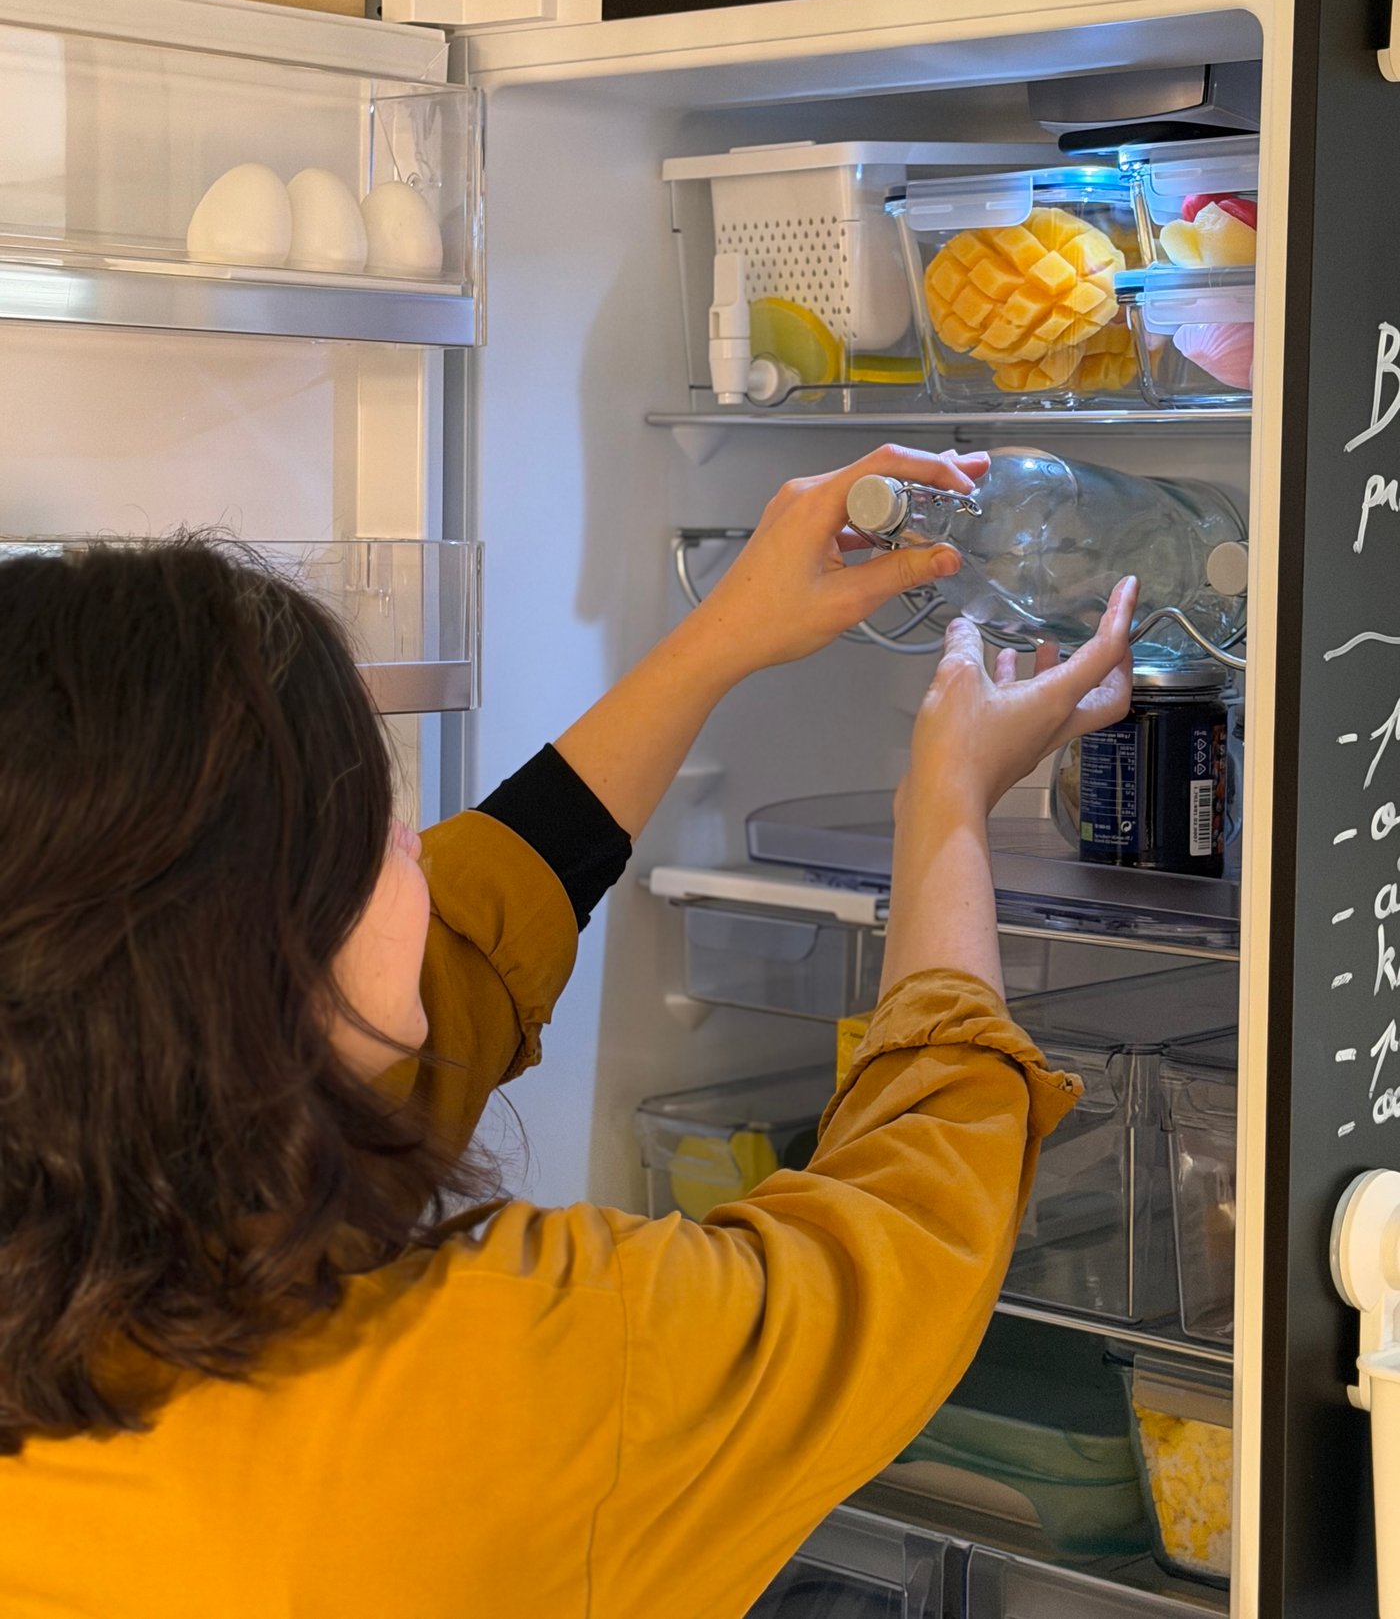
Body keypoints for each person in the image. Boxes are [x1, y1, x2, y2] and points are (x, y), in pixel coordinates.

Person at [0, 444, 1137, 1619]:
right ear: (258, 967)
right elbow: (903, 1246)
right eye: (375, 823)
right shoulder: (516, 1379)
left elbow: (464, 938)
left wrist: (721, 639)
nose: (419, 847)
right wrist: (946, 807)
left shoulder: (99, 1187)